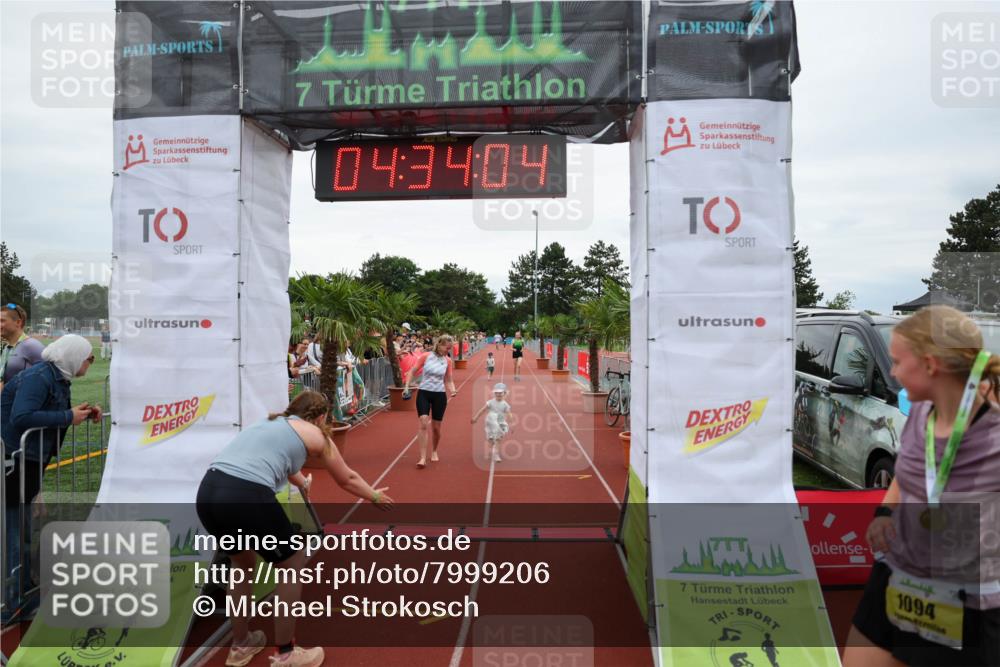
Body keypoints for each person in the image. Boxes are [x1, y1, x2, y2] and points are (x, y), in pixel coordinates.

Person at [843, 306, 1000, 667]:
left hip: (965, 599)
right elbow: (911, 472)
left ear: (930, 365)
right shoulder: (918, 413)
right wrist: (885, 512)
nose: (893, 371)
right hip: (899, 575)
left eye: (898, 361)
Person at [197, 391, 393, 667]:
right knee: (291, 563)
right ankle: (287, 653)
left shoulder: (269, 424)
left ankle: (240, 645)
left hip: (209, 492)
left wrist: (301, 481)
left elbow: (280, 462)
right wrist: (373, 496)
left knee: (241, 565)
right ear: (321, 416)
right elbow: (346, 478)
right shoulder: (315, 434)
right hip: (246, 494)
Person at [2, 334, 101, 623]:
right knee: (14, 532)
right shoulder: (39, 377)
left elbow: (48, 412)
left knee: (22, 529)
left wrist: (78, 412)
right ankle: (13, 604)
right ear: (72, 355)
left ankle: (23, 593)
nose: (90, 361)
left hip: (27, 460)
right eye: (88, 355)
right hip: (13, 460)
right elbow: (22, 418)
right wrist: (67, 417)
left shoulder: (54, 377)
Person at [402, 335, 457, 469]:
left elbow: (449, 379)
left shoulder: (448, 361)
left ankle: (434, 451)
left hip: (439, 395)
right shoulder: (426, 356)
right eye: (445, 347)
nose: (447, 350)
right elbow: (412, 371)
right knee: (423, 421)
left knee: (436, 428)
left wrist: (453, 390)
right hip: (424, 392)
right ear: (439, 344)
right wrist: (407, 387)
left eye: (449, 348)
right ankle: (422, 457)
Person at [1, 303, 45, 392]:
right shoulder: (7, 348)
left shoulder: (32, 346)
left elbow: (51, 379)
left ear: (18, 322)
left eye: (2, 321)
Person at [471, 383, 512, 464]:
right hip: (491, 423)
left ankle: (495, 454)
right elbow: (482, 410)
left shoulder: (505, 405)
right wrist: (475, 418)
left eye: (500, 393)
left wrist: (511, 424)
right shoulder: (490, 402)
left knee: (498, 439)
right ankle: (492, 447)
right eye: (496, 392)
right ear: (494, 393)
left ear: (505, 393)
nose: (498, 394)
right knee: (491, 440)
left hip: (500, 423)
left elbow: (509, 414)